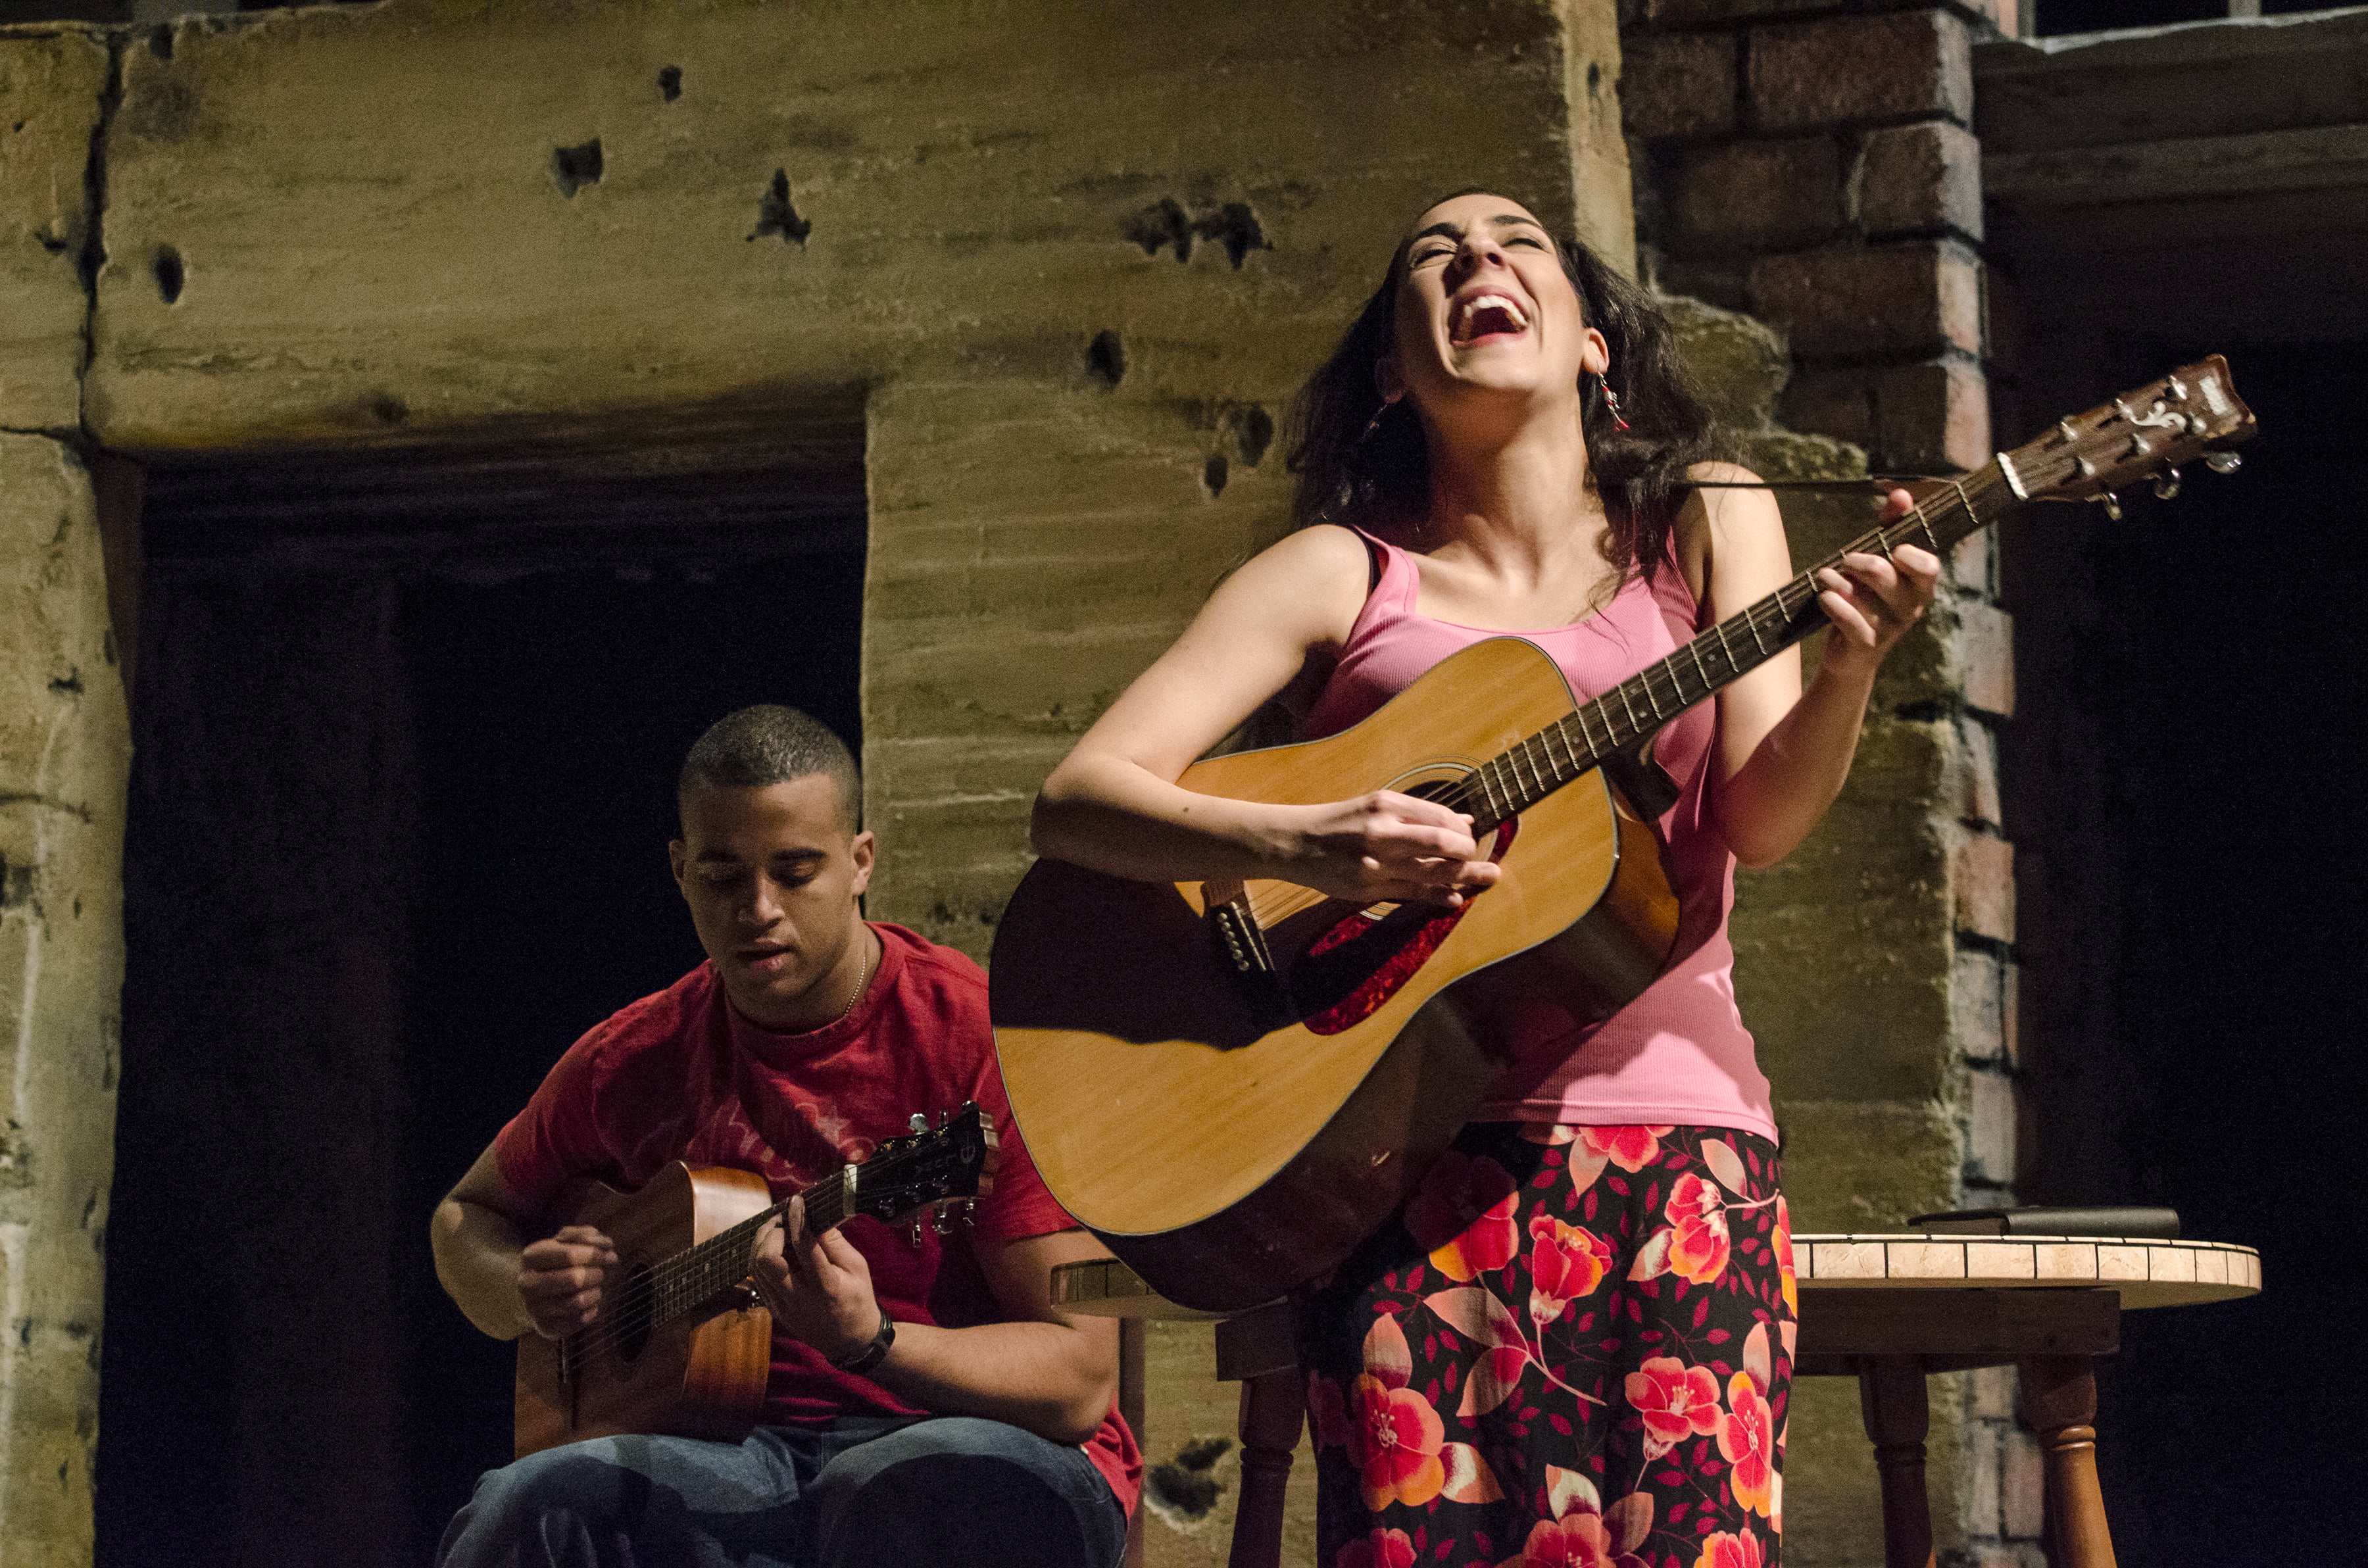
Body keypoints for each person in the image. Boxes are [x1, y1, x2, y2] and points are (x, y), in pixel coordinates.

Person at [1029, 191, 1939, 1565]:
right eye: (1434, 257)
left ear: (1591, 342)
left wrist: (1855, 668)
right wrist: (1302, 842)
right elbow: (1079, 801)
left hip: (1679, 1146)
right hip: (1396, 1162)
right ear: (1396, 371)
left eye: (1519, 244)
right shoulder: (1344, 571)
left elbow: (1755, 818)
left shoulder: (1707, 515)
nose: (1479, 264)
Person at [430, 704, 1138, 1568]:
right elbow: (466, 1219)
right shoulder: (634, 1057)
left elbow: (1078, 1380)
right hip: (736, 1455)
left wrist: (872, 1342)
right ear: (680, 870)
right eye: (724, 877)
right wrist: (520, 1289)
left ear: (860, 863)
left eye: (795, 871)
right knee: (528, 1503)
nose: (758, 910)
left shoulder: (981, 1041)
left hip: (967, 1442)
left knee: (898, 1488)